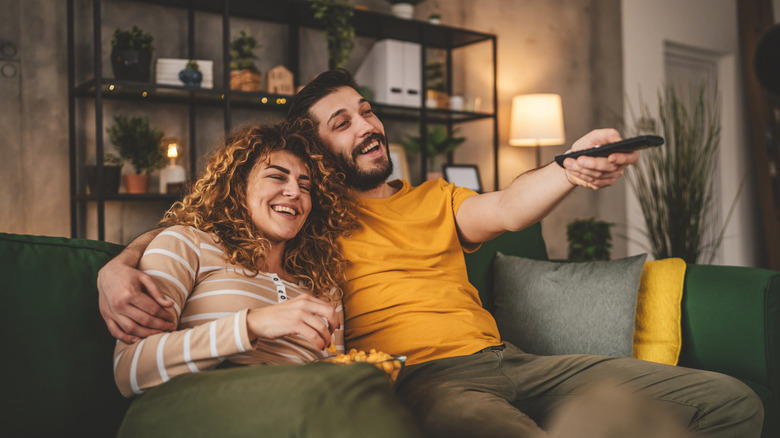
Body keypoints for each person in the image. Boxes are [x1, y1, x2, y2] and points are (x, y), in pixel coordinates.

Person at [99, 70, 764, 437]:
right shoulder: (313, 225)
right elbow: (209, 222)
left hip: (513, 361)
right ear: (312, 151)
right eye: (342, 123)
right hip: (431, 382)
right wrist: (118, 263)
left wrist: (568, 168)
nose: (368, 126)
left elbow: (505, 205)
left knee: (734, 405)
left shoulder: (428, 202)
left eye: (366, 112)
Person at [112, 120, 358, 398]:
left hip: (305, 411)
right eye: (277, 177)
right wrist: (251, 325)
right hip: (207, 406)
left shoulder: (325, 287)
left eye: (305, 186)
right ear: (238, 185)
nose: (295, 192)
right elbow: (129, 370)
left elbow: (338, 375)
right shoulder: (187, 244)